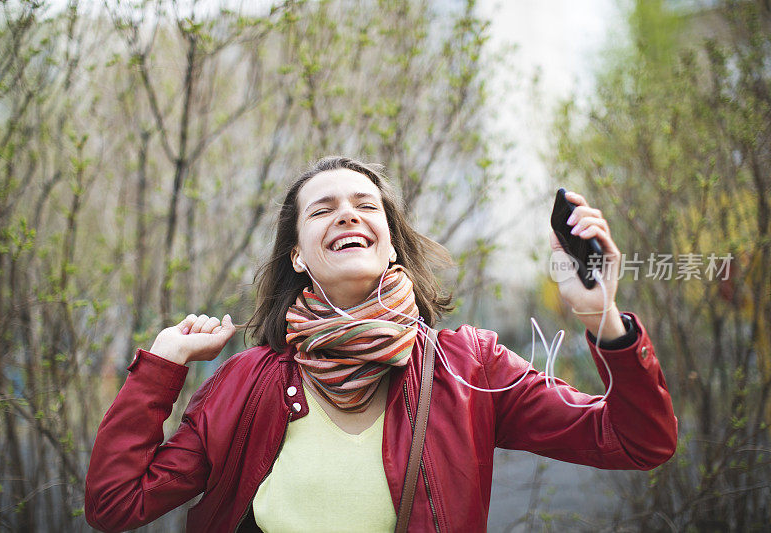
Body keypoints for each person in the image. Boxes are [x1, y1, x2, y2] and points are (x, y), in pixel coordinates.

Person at [85, 156, 677, 532]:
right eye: (323, 209)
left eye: (366, 206)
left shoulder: (468, 367)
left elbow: (637, 441)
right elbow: (116, 505)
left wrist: (603, 319)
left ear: (390, 244)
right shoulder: (247, 381)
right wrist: (161, 364)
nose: (347, 215)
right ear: (297, 253)